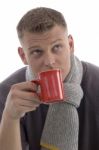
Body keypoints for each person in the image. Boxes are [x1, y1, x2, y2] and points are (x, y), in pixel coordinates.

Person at [0, 7, 99, 150]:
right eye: (37, 52)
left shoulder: (96, 85)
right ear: (23, 56)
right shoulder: (7, 96)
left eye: (57, 47)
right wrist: (10, 117)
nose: (49, 61)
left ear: (70, 45)